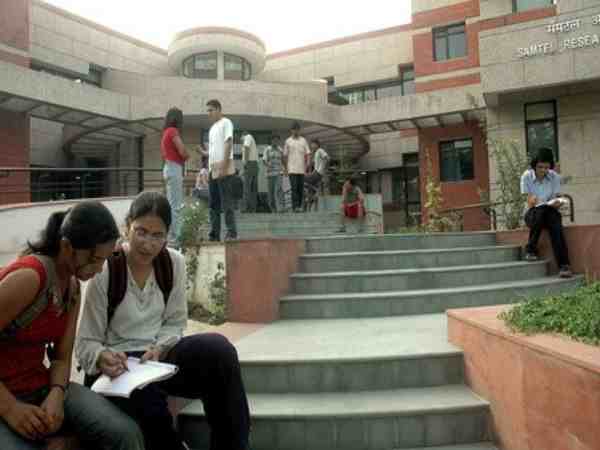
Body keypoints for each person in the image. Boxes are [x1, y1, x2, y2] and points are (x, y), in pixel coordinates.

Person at [76, 191, 250, 450]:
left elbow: (175, 322)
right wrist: (102, 357)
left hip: (158, 358)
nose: (148, 244)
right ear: (127, 227)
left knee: (219, 350)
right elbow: (86, 342)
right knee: (145, 397)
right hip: (118, 367)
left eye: (158, 235)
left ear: (167, 235)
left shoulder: (173, 263)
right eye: (141, 232)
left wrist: (159, 348)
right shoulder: (107, 268)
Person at [0, 202, 145, 450]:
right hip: (5, 396)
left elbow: (62, 357)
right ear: (67, 247)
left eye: (104, 261)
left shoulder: (72, 288)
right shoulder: (30, 277)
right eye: (95, 260)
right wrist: (10, 408)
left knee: (126, 434)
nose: (99, 270)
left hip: (38, 386)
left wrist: (57, 392)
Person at [520, 147, 572, 278]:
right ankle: (531, 250)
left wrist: (558, 202)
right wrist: (534, 201)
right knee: (540, 211)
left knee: (556, 224)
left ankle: (564, 266)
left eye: (546, 167)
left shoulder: (554, 177)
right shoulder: (526, 176)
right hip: (532, 214)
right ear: (534, 165)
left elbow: (557, 197)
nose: (543, 170)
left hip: (549, 212)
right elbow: (528, 200)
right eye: (540, 167)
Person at [206, 100, 237, 241]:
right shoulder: (212, 128)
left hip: (224, 166)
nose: (209, 113)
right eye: (208, 110)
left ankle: (231, 233)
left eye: (211, 110)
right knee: (214, 204)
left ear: (219, 109)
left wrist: (224, 166)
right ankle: (214, 234)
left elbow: (228, 143)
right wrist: (204, 154)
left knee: (227, 202)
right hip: (212, 169)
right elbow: (213, 150)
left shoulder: (226, 122)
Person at [161, 107, 191, 247]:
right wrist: (187, 156)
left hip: (168, 168)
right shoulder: (173, 131)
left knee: (171, 204)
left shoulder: (165, 132)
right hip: (174, 168)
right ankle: (176, 237)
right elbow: (182, 150)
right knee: (176, 205)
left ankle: (171, 235)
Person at [283, 122, 311, 213]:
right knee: (294, 188)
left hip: (301, 169)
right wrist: (285, 169)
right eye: (294, 129)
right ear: (291, 130)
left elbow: (308, 153)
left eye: (297, 129)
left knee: (300, 189)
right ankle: (295, 207)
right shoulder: (288, 141)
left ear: (299, 130)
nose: (296, 131)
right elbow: (285, 156)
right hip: (292, 169)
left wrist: (308, 163)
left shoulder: (303, 140)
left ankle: (299, 206)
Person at [262, 135, 284, 213]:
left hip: (279, 172)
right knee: (270, 192)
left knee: (279, 189)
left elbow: (283, 160)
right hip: (270, 173)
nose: (275, 142)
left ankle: (280, 208)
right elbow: (264, 160)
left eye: (277, 140)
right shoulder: (267, 149)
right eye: (274, 140)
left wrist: (285, 169)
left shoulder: (281, 150)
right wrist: (268, 164)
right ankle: (273, 209)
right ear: (271, 141)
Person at [241, 131, 259, 213]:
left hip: (250, 163)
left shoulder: (247, 137)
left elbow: (246, 148)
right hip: (254, 164)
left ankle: (245, 208)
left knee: (246, 187)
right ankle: (253, 208)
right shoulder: (252, 139)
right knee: (253, 188)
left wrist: (245, 162)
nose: (241, 141)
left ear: (243, 135)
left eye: (241, 139)